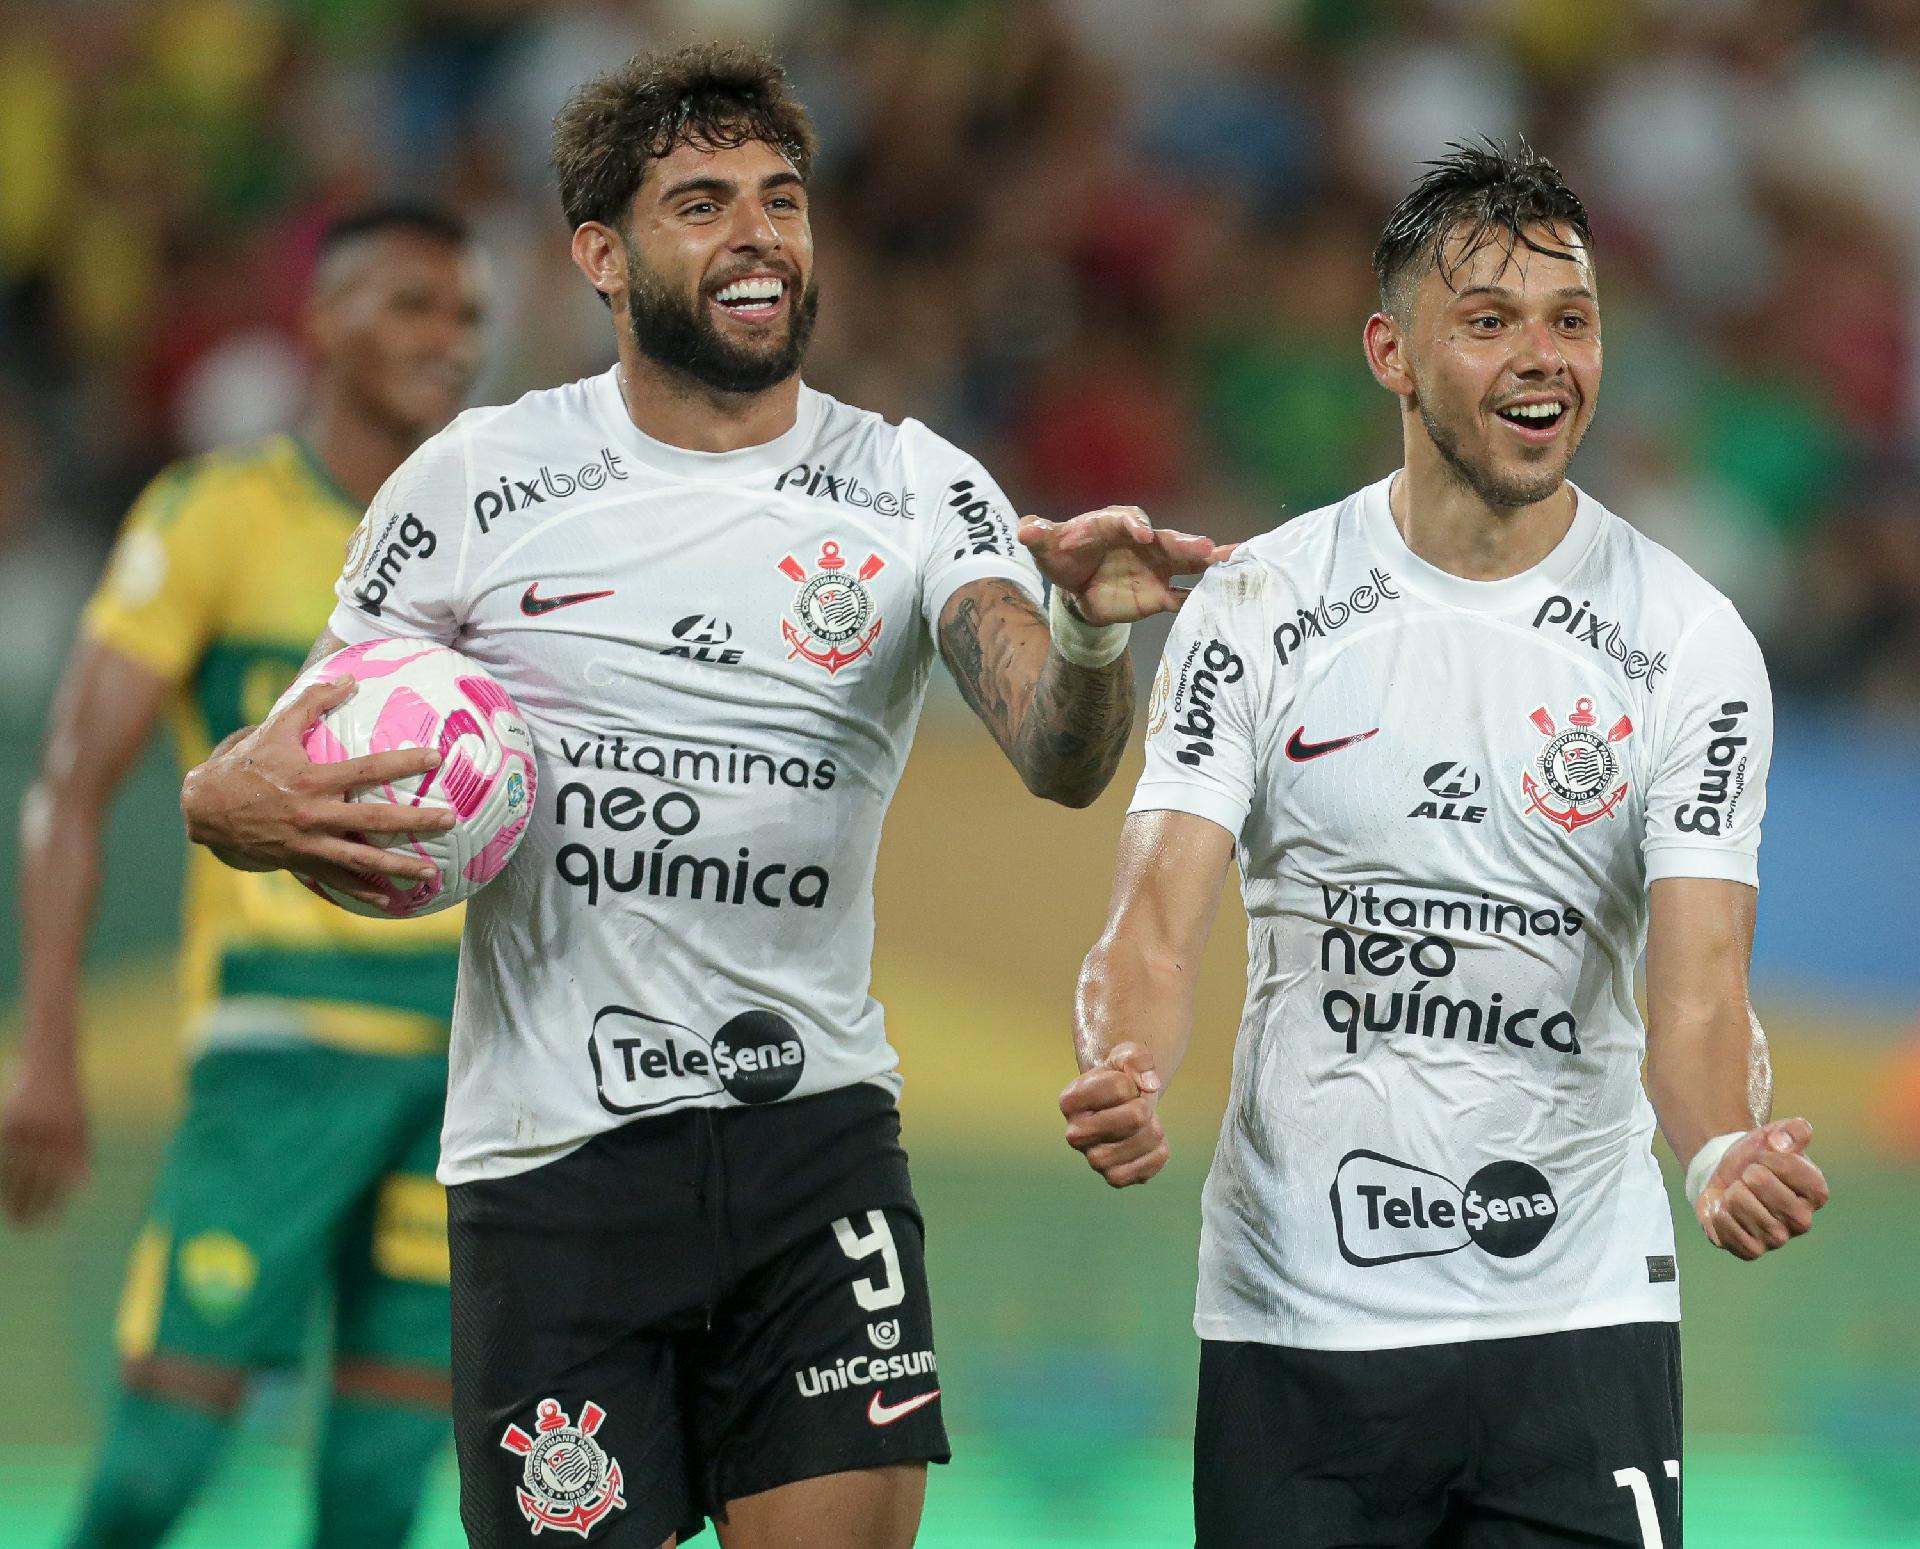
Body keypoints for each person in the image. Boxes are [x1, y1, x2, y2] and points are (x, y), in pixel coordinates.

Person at [177, 43, 1224, 1549]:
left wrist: (1086, 629)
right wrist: (223, 801)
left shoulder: (916, 485)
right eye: (703, 201)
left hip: (815, 1147)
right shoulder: (476, 480)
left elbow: (1060, 759)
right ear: (602, 254)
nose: (759, 234)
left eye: (783, 198)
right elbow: (288, 750)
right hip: (555, 1172)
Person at [1059, 141, 1831, 1549]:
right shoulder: (1259, 605)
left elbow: (1702, 990)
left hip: (1577, 1321)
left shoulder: (1689, 642)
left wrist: (1719, 1143)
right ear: (1392, 352)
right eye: (1489, 321)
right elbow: (1153, 924)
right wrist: (1124, 1063)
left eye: (1572, 319)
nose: (1544, 359)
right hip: (1299, 1321)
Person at [1, 205, 486, 1548]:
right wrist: (46, 1044)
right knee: (160, 1462)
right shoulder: (219, 513)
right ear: (323, 324)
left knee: (379, 1489)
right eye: (411, 306)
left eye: (466, 316)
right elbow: (67, 785)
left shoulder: (497, 539)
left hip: (461, 1065)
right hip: (277, 1046)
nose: (449, 340)